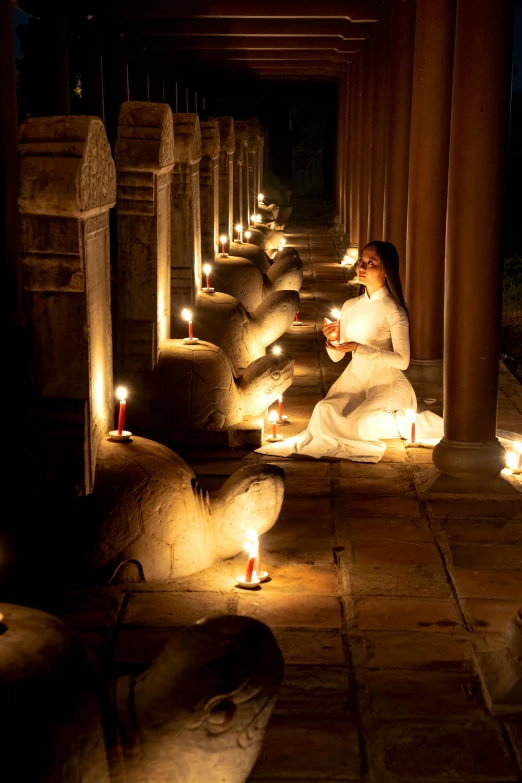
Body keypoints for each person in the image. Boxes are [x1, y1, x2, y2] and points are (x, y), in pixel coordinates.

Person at [257, 240, 443, 462]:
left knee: (357, 424)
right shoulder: (350, 306)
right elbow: (336, 357)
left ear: (386, 270)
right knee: (323, 410)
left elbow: (403, 361)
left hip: (387, 385)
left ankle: (401, 419)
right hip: (355, 381)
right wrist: (332, 340)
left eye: (371, 262)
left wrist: (359, 347)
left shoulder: (394, 310)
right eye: (361, 261)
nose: (362, 267)